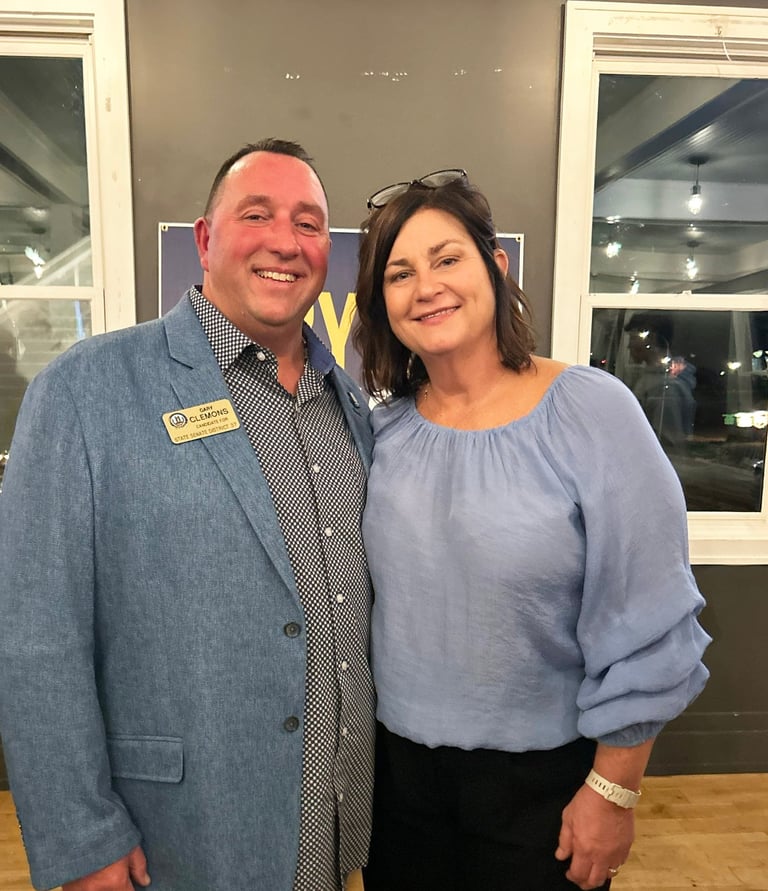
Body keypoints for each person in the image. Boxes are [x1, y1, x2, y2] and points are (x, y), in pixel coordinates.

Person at [0, 139, 376, 891]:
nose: (284, 241)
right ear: (206, 240)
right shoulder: (85, 390)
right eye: (256, 214)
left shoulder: (350, 405)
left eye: (308, 224)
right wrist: (80, 836)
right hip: (173, 835)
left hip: (330, 828)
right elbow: (36, 633)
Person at [352, 170, 711, 891]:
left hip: (539, 790)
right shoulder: (378, 432)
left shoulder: (590, 412)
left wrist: (613, 791)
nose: (427, 286)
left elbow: (648, 619)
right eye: (400, 272)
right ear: (381, 302)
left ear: (497, 265)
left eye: (447, 258)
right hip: (399, 786)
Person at [623, 311, 697, 449]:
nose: (629, 346)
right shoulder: (650, 380)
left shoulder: (666, 387)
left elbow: (667, 441)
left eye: (633, 339)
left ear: (650, 339)